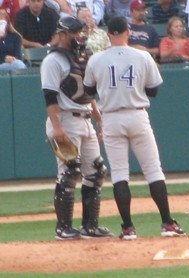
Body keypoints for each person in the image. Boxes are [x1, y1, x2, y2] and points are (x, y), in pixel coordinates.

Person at [83, 15, 186, 240]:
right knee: (153, 170)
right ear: (128, 32)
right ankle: (167, 223)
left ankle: (128, 228)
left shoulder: (96, 59)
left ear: (109, 34)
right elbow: (154, 90)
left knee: (120, 174)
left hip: (110, 117)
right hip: (137, 114)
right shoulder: (142, 56)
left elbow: (88, 91)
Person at [40, 16, 113, 240]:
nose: (79, 36)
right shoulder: (53, 60)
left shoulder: (82, 58)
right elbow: (50, 96)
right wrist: (57, 127)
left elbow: (87, 92)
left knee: (96, 170)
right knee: (69, 172)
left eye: (81, 32)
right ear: (62, 35)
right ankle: (63, 228)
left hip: (85, 118)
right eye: (74, 33)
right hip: (64, 118)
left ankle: (90, 226)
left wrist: (98, 115)